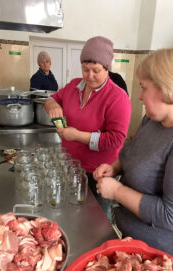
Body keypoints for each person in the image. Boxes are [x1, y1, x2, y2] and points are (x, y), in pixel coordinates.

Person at [93, 47, 173, 268]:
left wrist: (116, 191)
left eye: (144, 88)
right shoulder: (157, 116)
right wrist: (116, 167)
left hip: (169, 252)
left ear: (167, 89)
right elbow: (135, 151)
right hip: (137, 238)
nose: (140, 96)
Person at [44, 36, 131, 219]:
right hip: (70, 166)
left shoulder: (117, 97)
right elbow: (52, 98)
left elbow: (116, 139)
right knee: (72, 215)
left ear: (107, 68)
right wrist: (52, 105)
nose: (89, 75)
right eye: (85, 69)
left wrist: (77, 136)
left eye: (96, 70)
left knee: (96, 221)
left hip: (99, 172)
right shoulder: (74, 85)